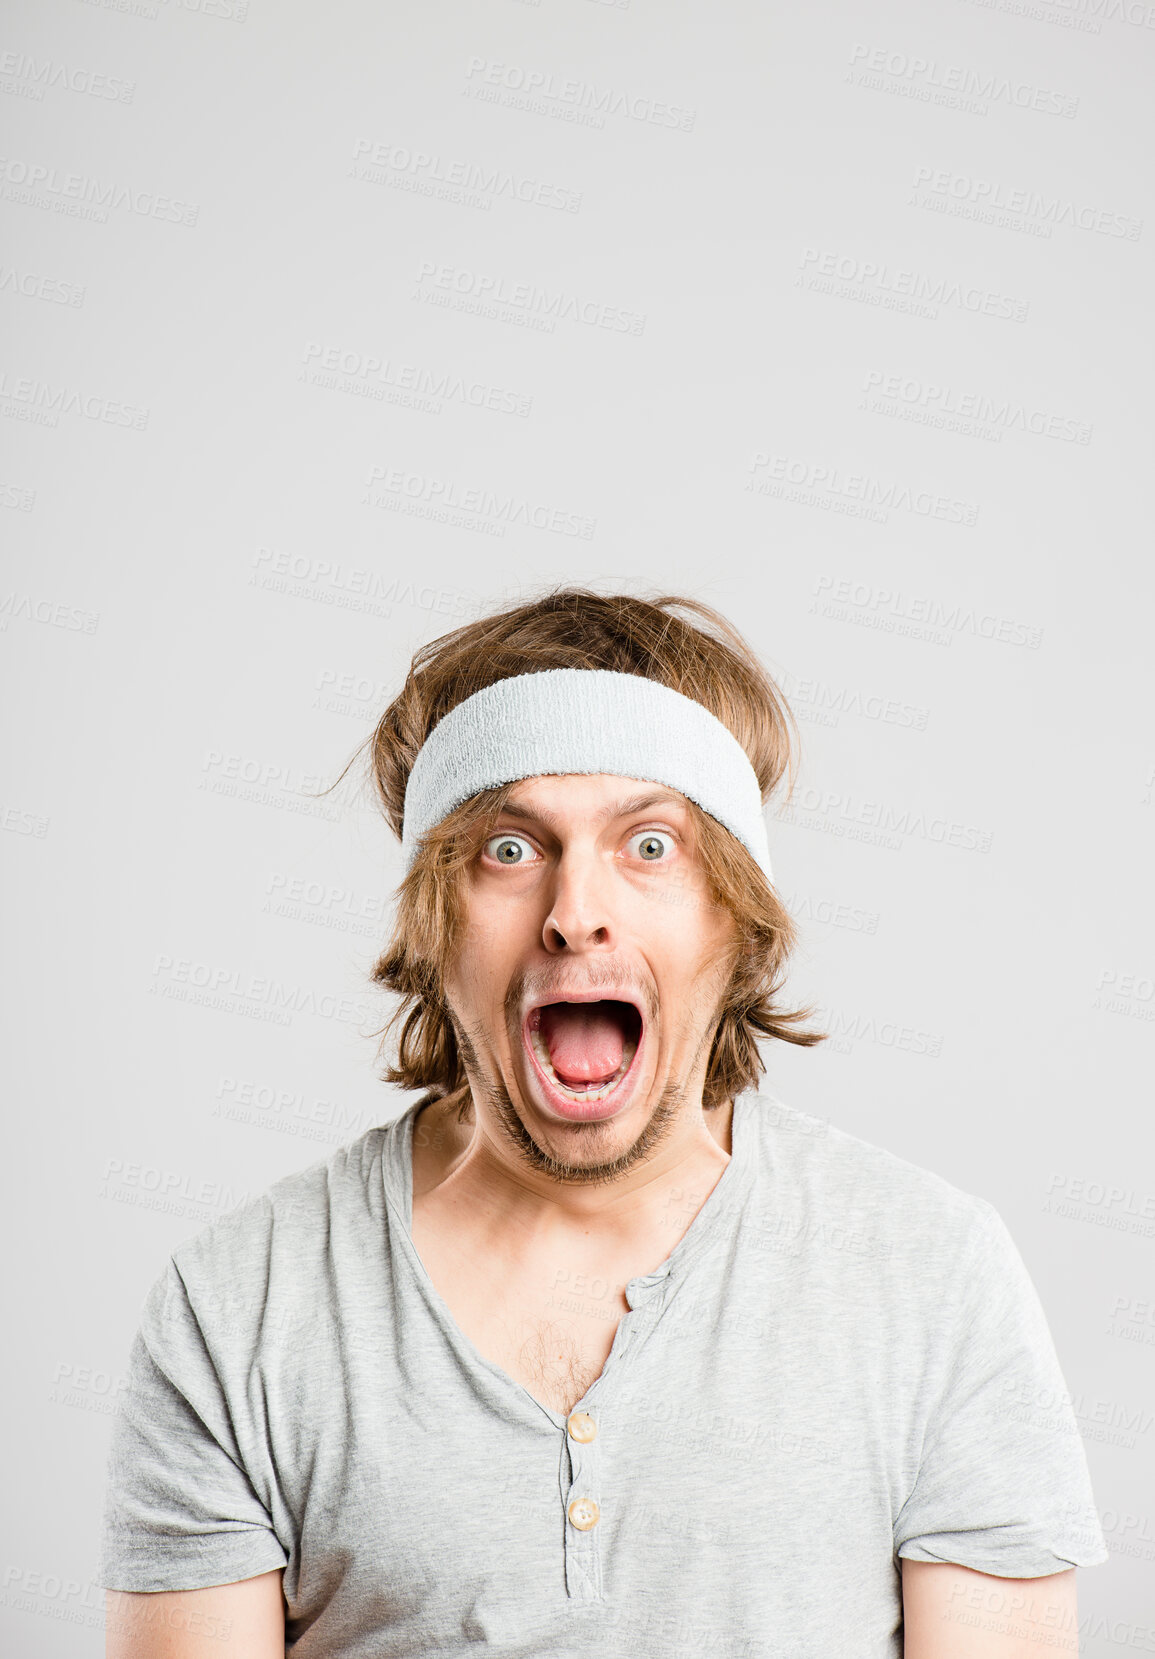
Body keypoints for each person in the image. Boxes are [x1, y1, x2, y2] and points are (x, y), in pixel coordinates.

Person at [101, 588, 1108, 1657]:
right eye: (508, 849)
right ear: (432, 928)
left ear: (739, 920)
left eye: (652, 845)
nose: (576, 911)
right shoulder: (239, 1308)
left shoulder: (931, 1273)